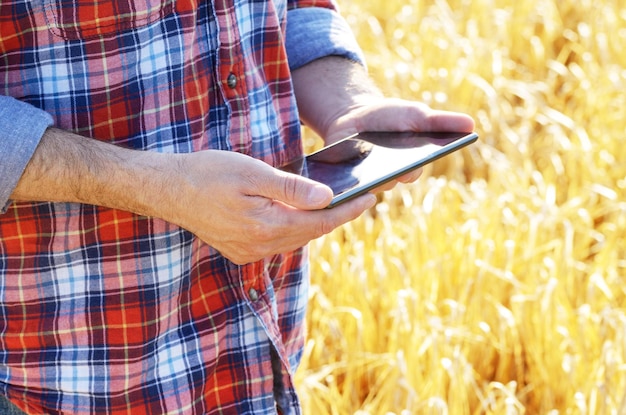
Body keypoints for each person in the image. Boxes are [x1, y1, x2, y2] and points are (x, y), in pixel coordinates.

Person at [0, 0, 474, 412]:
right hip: (64, 381)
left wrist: (345, 106)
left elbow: (291, 8)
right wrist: (157, 187)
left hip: (258, 352)